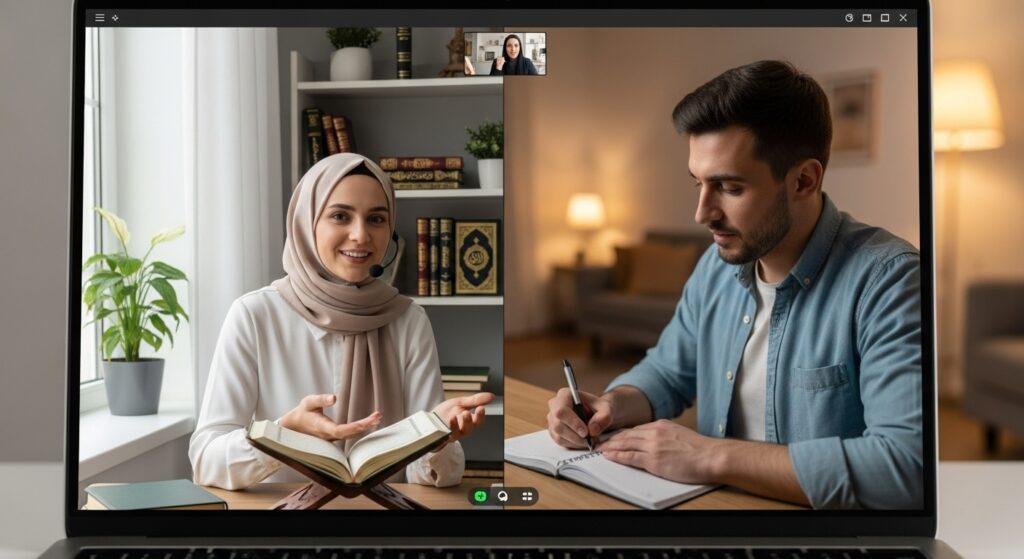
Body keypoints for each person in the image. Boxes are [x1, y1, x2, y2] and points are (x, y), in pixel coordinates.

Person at [546, 60, 923, 510]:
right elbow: (667, 371)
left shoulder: (889, 280)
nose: (702, 213)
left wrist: (711, 456)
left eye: (729, 187)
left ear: (804, 180)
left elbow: (906, 467)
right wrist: (610, 405)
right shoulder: (716, 266)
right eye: (699, 183)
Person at [190, 152, 493, 490]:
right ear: (307, 223)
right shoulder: (254, 315)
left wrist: (438, 442)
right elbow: (206, 460)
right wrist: (282, 436)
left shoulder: (408, 320)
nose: (361, 235)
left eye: (376, 219)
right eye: (340, 216)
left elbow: (435, 477)